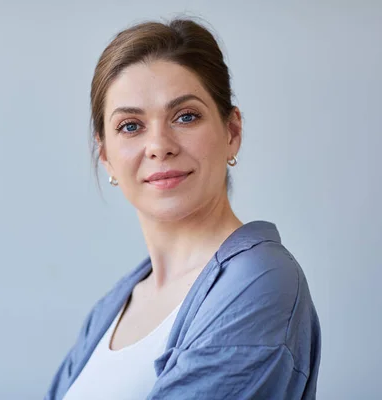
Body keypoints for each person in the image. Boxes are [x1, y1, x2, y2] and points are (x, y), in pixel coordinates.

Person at [45, 18, 321, 400]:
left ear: (232, 132)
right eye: (130, 126)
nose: (159, 145)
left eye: (185, 116)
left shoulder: (259, 284)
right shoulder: (114, 307)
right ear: (106, 155)